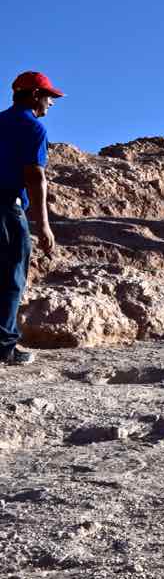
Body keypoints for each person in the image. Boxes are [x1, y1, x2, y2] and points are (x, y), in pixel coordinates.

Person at [0, 72, 62, 364]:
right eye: (49, 96)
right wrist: (44, 225)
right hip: (7, 210)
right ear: (35, 94)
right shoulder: (33, 128)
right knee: (11, 278)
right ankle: (4, 348)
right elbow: (35, 177)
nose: (51, 103)